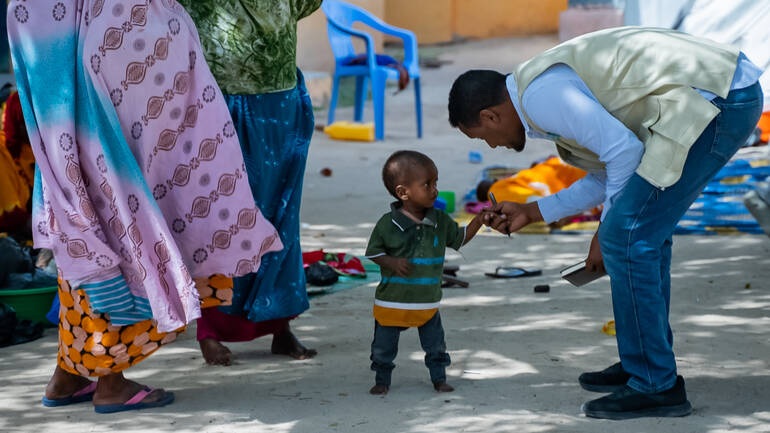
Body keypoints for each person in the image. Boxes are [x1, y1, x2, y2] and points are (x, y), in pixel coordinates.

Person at [447, 27, 763, 419]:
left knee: (627, 237)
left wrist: (604, 230)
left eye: (482, 137)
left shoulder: (541, 98)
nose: (492, 146)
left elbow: (623, 154)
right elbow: (610, 169)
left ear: (489, 115)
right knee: (638, 233)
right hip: (715, 92)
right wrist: (532, 210)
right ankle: (644, 363)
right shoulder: (537, 95)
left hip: (720, 97)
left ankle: (655, 383)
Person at [8, 0, 281, 412]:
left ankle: (68, 375)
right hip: (121, 56)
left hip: (77, 67)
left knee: (85, 216)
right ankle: (111, 383)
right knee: (121, 219)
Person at [179, 0, 320, 366]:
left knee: (280, 219)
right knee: (219, 220)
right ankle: (209, 330)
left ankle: (279, 324)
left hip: (281, 105)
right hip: (221, 105)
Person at [365, 150, 485, 395]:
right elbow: (372, 253)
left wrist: (479, 220)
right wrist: (391, 262)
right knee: (383, 346)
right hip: (392, 301)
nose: (434, 190)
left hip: (427, 302)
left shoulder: (440, 220)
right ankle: (382, 379)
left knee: (435, 345)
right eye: (427, 184)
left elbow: (459, 239)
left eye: (435, 182)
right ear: (402, 192)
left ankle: (439, 378)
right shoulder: (387, 224)